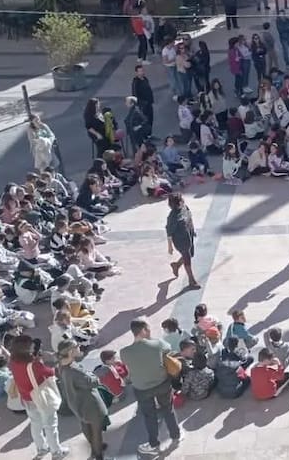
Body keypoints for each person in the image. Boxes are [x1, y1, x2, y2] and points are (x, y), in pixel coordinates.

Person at [122, 318, 182, 455]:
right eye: (148, 328)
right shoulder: (157, 344)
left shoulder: (124, 352)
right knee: (168, 409)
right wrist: (150, 339)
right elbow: (168, 348)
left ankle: (154, 445)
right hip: (162, 383)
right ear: (143, 330)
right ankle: (176, 436)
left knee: (149, 416)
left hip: (142, 388)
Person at [8, 334, 67, 460]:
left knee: (36, 425)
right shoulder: (34, 365)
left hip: (26, 398)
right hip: (41, 398)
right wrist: (40, 360)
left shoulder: (13, 361)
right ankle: (56, 452)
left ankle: (41, 449)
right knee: (50, 425)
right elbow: (50, 372)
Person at [55, 339, 109, 460]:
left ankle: (95, 447)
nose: (80, 347)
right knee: (96, 431)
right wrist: (95, 374)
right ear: (70, 351)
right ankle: (98, 453)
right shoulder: (74, 371)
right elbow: (94, 382)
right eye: (77, 346)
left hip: (76, 402)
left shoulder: (62, 365)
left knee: (85, 426)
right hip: (90, 403)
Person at [165, 193, 200, 289]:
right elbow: (169, 232)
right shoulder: (173, 217)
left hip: (189, 235)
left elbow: (190, 218)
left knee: (190, 254)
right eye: (181, 199)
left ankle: (176, 265)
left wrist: (193, 230)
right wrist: (170, 246)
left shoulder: (184, 207)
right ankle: (191, 280)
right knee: (187, 258)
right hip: (180, 240)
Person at [131, 65, 155, 138]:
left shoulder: (145, 79)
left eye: (143, 70)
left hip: (149, 103)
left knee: (150, 119)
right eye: (140, 71)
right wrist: (137, 106)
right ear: (136, 72)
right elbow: (135, 94)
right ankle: (144, 136)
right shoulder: (136, 82)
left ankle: (149, 134)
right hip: (142, 105)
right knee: (145, 120)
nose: (142, 72)